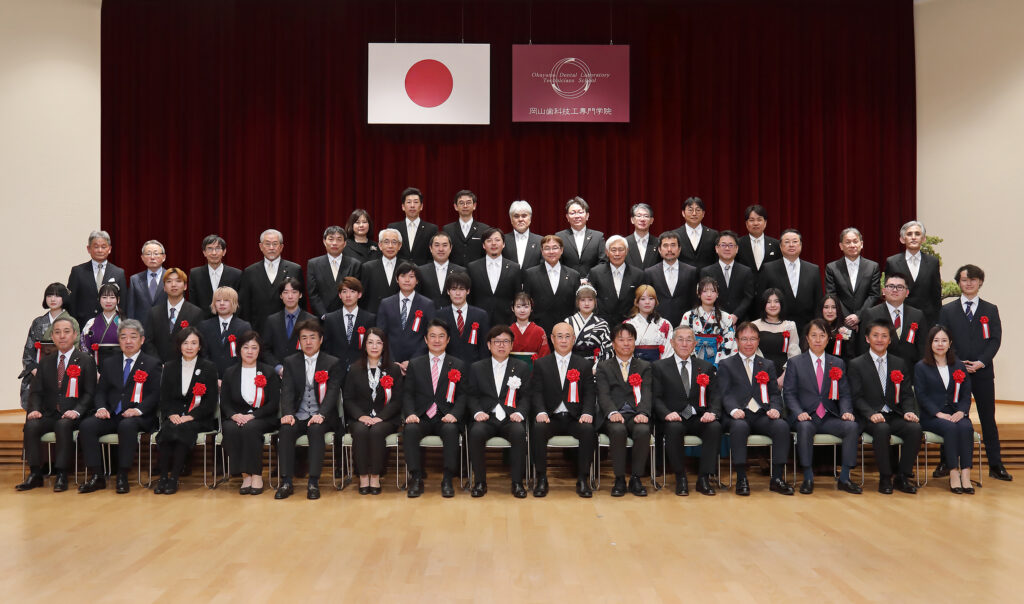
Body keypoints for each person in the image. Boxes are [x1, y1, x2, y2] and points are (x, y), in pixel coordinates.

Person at [938, 264, 1011, 481]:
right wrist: (957, 362)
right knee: (951, 417)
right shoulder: (947, 310)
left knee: (988, 418)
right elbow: (942, 339)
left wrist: (981, 362)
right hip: (954, 372)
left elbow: (995, 340)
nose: (968, 283)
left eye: (973, 279)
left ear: (980, 282)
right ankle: (946, 462)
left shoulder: (990, 309)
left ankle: (995, 464)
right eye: (964, 279)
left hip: (982, 372)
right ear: (958, 283)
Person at [76, 319, 162, 494]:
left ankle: (122, 475)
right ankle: (97, 476)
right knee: (87, 426)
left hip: (138, 416)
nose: (128, 341)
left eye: (133, 337)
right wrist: (101, 408)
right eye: (123, 337)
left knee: (127, 426)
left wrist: (138, 410)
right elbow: (101, 391)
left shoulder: (152, 363)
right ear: (119, 341)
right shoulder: (110, 363)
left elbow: (156, 394)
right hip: (112, 414)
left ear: (142, 340)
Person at [16, 317, 97, 492]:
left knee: (63, 425)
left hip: (75, 414)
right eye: (57, 332)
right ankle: (35, 473)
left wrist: (77, 411)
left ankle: (61, 473)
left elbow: (90, 393)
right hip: (50, 413)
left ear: (74, 335)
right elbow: (36, 392)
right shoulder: (46, 362)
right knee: (31, 425)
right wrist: (35, 409)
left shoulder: (86, 360)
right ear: (52, 337)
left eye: (66, 332)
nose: (62, 336)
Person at [784, 319, 861, 494]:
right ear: (807, 338)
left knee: (851, 427)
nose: (818, 340)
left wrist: (846, 412)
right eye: (814, 335)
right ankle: (808, 478)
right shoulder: (795, 363)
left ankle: (845, 478)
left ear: (828, 339)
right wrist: (798, 412)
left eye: (822, 335)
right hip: (806, 416)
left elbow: (844, 394)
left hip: (828, 417)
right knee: (804, 428)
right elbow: (789, 393)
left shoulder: (838, 363)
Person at [717, 322, 794, 496]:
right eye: (744, 339)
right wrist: (733, 410)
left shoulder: (767, 364)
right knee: (739, 427)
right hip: (739, 415)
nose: (749, 343)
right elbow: (724, 393)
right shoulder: (726, 364)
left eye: (753, 339)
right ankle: (741, 478)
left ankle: (777, 478)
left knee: (781, 426)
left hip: (761, 415)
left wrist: (775, 408)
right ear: (737, 341)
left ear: (758, 341)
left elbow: (774, 393)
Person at [848, 320, 922, 494]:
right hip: (870, 417)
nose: (879, 340)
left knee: (915, 428)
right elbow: (856, 397)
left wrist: (909, 411)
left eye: (884, 336)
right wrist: (870, 413)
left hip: (893, 414)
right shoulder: (856, 364)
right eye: (875, 335)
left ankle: (902, 476)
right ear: (867, 338)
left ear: (890, 340)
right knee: (882, 429)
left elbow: (906, 394)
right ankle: (885, 477)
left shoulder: (899, 363)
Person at [274, 319, 343, 500]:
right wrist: (288, 414)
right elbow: (287, 391)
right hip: (299, 414)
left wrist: (322, 414)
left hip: (322, 416)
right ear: (299, 341)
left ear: (321, 340)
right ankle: (286, 482)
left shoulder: (332, 362)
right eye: (304, 338)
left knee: (316, 429)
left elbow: (333, 392)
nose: (308, 342)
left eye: (312, 337)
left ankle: (313, 482)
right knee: (286, 430)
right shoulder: (290, 362)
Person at [652, 325, 723, 496]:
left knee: (714, 427)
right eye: (680, 339)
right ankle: (681, 478)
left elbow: (716, 395)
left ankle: (704, 478)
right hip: (673, 417)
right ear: (672, 342)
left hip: (699, 417)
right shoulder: (659, 367)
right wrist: (666, 413)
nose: (684, 344)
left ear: (695, 344)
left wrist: (712, 412)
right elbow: (655, 397)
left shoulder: (706, 367)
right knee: (673, 428)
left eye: (689, 340)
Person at [402, 320, 468, 498]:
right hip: (421, 416)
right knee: (410, 430)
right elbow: (408, 394)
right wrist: (410, 414)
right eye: (432, 336)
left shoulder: (458, 364)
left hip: (445, 416)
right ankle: (416, 478)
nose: (436, 340)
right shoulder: (415, 364)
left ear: (448, 340)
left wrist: (454, 414)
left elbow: (463, 396)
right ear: (425, 339)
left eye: (441, 336)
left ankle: (447, 479)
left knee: (451, 430)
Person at [529, 322, 595, 498]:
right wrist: (541, 412)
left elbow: (590, 393)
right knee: (538, 429)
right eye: (559, 336)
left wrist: (587, 413)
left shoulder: (584, 364)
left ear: (574, 339)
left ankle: (583, 479)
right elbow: (536, 392)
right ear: (552, 339)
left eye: (567, 337)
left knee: (588, 430)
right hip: (551, 417)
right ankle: (542, 478)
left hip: (575, 418)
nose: (564, 340)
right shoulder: (541, 364)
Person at [152, 326, 218, 495]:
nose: (189, 347)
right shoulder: (169, 367)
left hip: (198, 418)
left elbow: (210, 402)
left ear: (200, 346)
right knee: (168, 429)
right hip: (174, 417)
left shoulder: (209, 367)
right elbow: (164, 398)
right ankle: (163, 478)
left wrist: (191, 416)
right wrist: (171, 414)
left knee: (183, 429)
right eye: (185, 343)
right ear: (179, 345)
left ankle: (174, 478)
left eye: (194, 343)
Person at [467, 326, 532, 498]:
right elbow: (471, 395)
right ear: (489, 345)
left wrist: (520, 413)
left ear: (512, 345)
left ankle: (517, 483)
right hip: (486, 417)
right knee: (476, 432)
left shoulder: (522, 367)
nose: (501, 345)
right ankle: (480, 482)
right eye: (497, 341)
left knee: (519, 433)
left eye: (505, 341)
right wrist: (477, 412)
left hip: (511, 418)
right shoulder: (477, 367)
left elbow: (526, 396)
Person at [915, 326, 977, 493]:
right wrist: (938, 413)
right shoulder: (921, 367)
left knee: (966, 427)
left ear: (950, 343)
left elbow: (966, 393)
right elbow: (921, 396)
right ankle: (953, 472)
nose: (940, 344)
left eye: (944, 340)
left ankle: (966, 473)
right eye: (936, 340)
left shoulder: (958, 366)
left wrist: (961, 412)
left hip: (956, 413)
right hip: (932, 416)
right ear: (930, 343)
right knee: (950, 428)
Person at [342, 327, 402, 495]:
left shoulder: (393, 369)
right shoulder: (354, 369)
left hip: (385, 418)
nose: (374, 346)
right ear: (365, 345)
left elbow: (397, 400)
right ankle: (363, 476)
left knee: (376, 431)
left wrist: (381, 417)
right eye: (370, 342)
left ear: (384, 346)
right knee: (360, 431)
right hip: (360, 418)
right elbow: (348, 399)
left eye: (378, 343)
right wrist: (360, 416)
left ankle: (375, 476)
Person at [596, 323, 653, 497]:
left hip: (636, 414)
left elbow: (647, 392)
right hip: (613, 415)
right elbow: (603, 395)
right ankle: (619, 479)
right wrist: (612, 412)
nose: (626, 343)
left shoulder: (644, 366)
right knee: (618, 430)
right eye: (621, 340)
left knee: (643, 430)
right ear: (613, 344)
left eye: (630, 339)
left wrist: (643, 412)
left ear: (635, 342)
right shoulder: (604, 366)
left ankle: (636, 478)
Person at [220, 331, 279, 495]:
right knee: (230, 428)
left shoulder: (269, 372)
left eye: (254, 347)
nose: (250, 351)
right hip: (237, 417)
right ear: (239, 350)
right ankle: (245, 475)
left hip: (262, 417)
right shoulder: (230, 372)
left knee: (250, 428)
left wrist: (253, 416)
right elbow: (224, 402)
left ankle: (257, 474)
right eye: (246, 347)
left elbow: (274, 403)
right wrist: (233, 415)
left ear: (259, 350)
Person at [858, 273, 928, 379]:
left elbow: (922, 347)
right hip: (879, 372)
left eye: (900, 287)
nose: (895, 290)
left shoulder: (917, 315)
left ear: (907, 293)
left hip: (910, 373)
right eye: (891, 286)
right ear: (883, 291)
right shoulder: (871, 314)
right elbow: (863, 346)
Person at [21, 283, 79, 409]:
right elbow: (28, 351)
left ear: (64, 298)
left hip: (63, 370)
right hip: (39, 370)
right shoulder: (38, 322)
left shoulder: (72, 322)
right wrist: (36, 371)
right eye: (49, 295)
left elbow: (75, 350)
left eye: (57, 295)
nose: (53, 299)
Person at [238, 229, 305, 332]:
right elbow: (245, 306)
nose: (271, 248)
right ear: (261, 246)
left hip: (287, 328)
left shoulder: (295, 269)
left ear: (281, 247)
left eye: (275, 244)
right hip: (258, 330)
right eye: (267, 244)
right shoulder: (249, 272)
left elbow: (301, 303)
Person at [758, 228, 822, 333]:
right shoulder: (768, 269)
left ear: (801, 245)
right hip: (776, 328)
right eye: (787, 242)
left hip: (807, 328)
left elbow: (818, 302)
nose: (791, 245)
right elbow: (761, 300)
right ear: (780, 246)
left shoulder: (813, 269)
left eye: (795, 241)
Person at [375, 262, 436, 367]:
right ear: (397, 279)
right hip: (390, 362)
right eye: (403, 276)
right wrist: (391, 360)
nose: (407, 280)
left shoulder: (427, 304)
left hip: (418, 362)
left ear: (417, 280)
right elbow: (381, 334)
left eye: (411, 276)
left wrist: (413, 361)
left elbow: (430, 334)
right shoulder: (386, 304)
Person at [884, 220, 942, 326]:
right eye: (909, 234)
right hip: (901, 318)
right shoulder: (892, 262)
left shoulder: (933, 262)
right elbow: (889, 293)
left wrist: (937, 322)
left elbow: (936, 295)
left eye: (917, 234)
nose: (913, 237)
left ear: (923, 239)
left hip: (927, 320)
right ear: (902, 239)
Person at [142, 268, 205, 364]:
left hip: (185, 365)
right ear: (164, 287)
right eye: (169, 281)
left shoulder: (196, 313)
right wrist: (158, 364)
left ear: (185, 286)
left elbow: (199, 343)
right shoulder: (154, 312)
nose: (173, 285)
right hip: (158, 366)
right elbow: (148, 342)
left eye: (178, 281)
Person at [66, 230, 127, 326]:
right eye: (96, 247)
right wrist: (74, 326)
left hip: (111, 326)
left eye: (103, 247)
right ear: (88, 249)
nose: (100, 250)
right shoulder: (77, 272)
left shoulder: (119, 273)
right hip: (82, 325)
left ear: (109, 249)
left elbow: (123, 303)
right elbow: (71, 302)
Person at [824, 227, 880, 332]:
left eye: (855, 241)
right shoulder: (832, 268)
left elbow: (874, 295)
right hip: (842, 323)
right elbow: (832, 295)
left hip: (866, 321)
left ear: (861, 244)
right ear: (841, 246)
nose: (852, 245)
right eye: (848, 242)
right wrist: (848, 319)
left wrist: (858, 316)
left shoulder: (873, 267)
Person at [523, 235, 582, 334]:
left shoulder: (574, 275)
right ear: (542, 251)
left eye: (555, 248)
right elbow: (526, 303)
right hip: (538, 330)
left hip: (566, 330)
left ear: (561, 250)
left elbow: (576, 306)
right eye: (547, 248)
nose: (551, 252)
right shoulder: (530, 274)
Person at [261, 277, 316, 375]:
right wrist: (278, 368)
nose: (290, 296)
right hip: (277, 375)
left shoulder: (311, 320)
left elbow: (316, 349)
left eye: (294, 292)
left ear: (300, 295)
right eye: (285, 292)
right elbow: (265, 350)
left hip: (304, 373)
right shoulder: (271, 320)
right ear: (281, 296)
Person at [468, 227, 522, 326]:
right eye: (489, 240)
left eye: (497, 240)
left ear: (504, 244)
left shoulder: (514, 268)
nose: (493, 243)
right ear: (483, 245)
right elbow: (470, 297)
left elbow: (517, 297)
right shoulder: (472, 267)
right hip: (478, 321)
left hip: (506, 321)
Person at [643, 231, 698, 327]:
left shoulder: (691, 271)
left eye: (673, 245)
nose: (669, 249)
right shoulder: (649, 273)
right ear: (659, 249)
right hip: (657, 325)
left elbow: (695, 301)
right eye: (665, 246)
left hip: (685, 325)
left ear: (679, 249)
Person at [680, 277, 738, 366]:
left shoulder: (726, 317)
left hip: (718, 359)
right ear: (698, 294)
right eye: (705, 291)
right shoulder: (688, 316)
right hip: (693, 358)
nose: (709, 294)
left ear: (717, 294)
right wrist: (693, 361)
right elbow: (683, 340)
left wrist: (718, 364)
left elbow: (729, 343)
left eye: (713, 291)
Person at [322, 277, 376, 373]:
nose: (348, 295)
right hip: (336, 370)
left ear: (359, 294)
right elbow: (326, 348)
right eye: (344, 291)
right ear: (340, 295)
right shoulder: (330, 319)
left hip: (361, 370)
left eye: (352, 291)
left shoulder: (370, 319)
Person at [699, 230, 755, 322]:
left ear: (737, 249)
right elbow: (705, 297)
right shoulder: (706, 272)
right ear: (717, 248)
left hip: (740, 321)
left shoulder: (746, 271)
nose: (727, 248)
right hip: (714, 319)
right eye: (723, 245)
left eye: (731, 245)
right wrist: (721, 316)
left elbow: (748, 297)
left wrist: (736, 315)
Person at [306, 226, 362, 318]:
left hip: (347, 316)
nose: (335, 243)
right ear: (324, 242)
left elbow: (356, 293)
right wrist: (324, 315)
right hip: (323, 318)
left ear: (344, 243)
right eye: (331, 239)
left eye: (339, 239)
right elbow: (313, 295)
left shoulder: (354, 264)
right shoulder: (313, 264)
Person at [588, 235, 644, 326]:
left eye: (621, 250)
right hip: (602, 325)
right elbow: (591, 301)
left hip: (630, 324)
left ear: (626, 251)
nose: (617, 254)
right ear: (607, 252)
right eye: (613, 250)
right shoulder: (595, 273)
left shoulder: (638, 274)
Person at [198, 286, 252, 378]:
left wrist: (231, 378)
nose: (222, 303)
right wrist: (213, 376)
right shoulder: (204, 326)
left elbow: (246, 355)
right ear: (214, 304)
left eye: (226, 300)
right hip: (210, 376)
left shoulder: (244, 327)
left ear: (234, 303)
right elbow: (202, 353)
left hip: (235, 377)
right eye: (218, 300)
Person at [436, 272, 489, 364]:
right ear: (448, 291)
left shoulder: (481, 315)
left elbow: (484, 347)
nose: (457, 293)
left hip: (474, 367)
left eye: (461, 289)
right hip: (447, 366)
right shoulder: (439, 315)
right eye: (453, 289)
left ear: (468, 291)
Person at [752, 288, 800, 387]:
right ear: (763, 304)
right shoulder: (754, 325)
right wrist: (762, 375)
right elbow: (751, 353)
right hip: (759, 375)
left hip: (785, 376)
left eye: (776, 301)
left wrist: (783, 378)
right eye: (768, 302)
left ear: (781, 304)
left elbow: (794, 355)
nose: (773, 305)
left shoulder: (790, 326)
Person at [188, 234, 242, 321]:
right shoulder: (195, 274)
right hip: (202, 323)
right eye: (210, 249)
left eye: (217, 248)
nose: (214, 253)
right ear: (204, 252)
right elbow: (193, 302)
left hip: (229, 322)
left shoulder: (236, 274)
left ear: (224, 252)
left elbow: (239, 303)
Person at [555, 196, 606, 277]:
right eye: (572, 213)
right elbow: (556, 262)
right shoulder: (559, 237)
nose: (577, 216)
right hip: (567, 281)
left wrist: (589, 279)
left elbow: (603, 262)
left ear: (587, 216)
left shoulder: (598, 237)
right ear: (567, 217)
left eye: (580, 212)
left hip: (592, 282)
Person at [388, 187, 438, 266]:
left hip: (423, 271)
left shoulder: (431, 229)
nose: (412, 205)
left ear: (421, 206)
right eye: (408, 202)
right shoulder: (393, 228)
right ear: (403, 206)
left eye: (416, 202)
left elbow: (433, 255)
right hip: (399, 271)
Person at [623, 285, 674, 362]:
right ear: (636, 302)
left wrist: (661, 366)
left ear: (655, 302)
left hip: (659, 365)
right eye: (643, 299)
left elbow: (669, 350)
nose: (647, 302)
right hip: (634, 365)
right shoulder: (628, 324)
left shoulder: (665, 324)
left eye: (651, 298)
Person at [565, 283, 612, 364]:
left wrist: (597, 366)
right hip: (572, 363)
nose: (586, 303)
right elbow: (562, 347)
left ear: (595, 302)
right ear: (577, 302)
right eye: (583, 300)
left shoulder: (602, 324)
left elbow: (608, 350)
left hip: (595, 365)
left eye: (590, 300)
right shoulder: (568, 322)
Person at [358, 228, 402, 314]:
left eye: (394, 242)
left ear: (399, 246)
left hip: (399, 315)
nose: (390, 246)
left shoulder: (407, 267)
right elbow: (362, 297)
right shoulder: (368, 267)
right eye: (386, 242)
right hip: (375, 315)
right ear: (380, 245)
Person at [417, 231, 465, 308]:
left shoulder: (461, 271)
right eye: (437, 245)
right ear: (430, 248)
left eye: (445, 245)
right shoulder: (420, 271)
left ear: (450, 248)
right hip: (427, 314)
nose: (441, 249)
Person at [443, 189, 490, 267]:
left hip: (477, 271)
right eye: (461, 203)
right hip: (454, 272)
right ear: (455, 207)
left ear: (474, 206)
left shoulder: (484, 229)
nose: (465, 206)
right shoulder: (447, 229)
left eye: (468, 203)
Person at [126, 240, 167, 322]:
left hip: (165, 325)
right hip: (141, 327)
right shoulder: (135, 279)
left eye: (156, 254)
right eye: (148, 254)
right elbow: (131, 308)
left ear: (164, 257)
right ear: (142, 258)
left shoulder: (171, 278)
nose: (152, 257)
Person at [675, 196, 719, 271]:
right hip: (683, 276)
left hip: (707, 277)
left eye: (698, 210)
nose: (694, 213)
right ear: (683, 213)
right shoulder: (675, 235)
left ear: (703, 213)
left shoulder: (713, 235)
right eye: (690, 210)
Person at [735, 205, 780, 276]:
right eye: (751, 220)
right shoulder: (738, 243)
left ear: (765, 223)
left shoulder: (776, 244)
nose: (755, 223)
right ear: (746, 224)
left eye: (759, 220)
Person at [80, 282, 123, 356]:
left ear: (118, 300)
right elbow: (84, 346)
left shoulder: (124, 323)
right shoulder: (91, 323)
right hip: (95, 361)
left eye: (112, 297)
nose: (108, 301)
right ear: (99, 299)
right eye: (104, 297)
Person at [503, 200, 542, 270]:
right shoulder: (502, 240)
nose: (520, 219)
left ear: (530, 218)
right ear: (511, 220)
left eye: (524, 216)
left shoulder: (541, 241)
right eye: (516, 216)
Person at [510, 293, 550, 359]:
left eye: (526, 307)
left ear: (531, 309)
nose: (522, 310)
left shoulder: (540, 331)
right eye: (518, 306)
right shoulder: (508, 331)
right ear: (512, 308)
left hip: (535, 365)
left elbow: (545, 356)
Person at [818, 294, 855, 363]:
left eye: (834, 307)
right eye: (826, 307)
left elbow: (850, 356)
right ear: (821, 309)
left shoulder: (846, 328)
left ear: (838, 309)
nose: (830, 311)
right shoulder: (815, 327)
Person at [624, 203, 660, 270]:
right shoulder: (624, 243)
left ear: (651, 220)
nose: (642, 219)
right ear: (632, 220)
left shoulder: (658, 243)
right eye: (639, 216)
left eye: (646, 216)